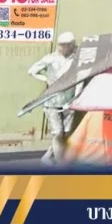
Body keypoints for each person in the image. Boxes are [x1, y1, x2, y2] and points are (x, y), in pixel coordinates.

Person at [28, 31, 78, 164]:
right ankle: (60, 164)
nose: (65, 47)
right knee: (58, 133)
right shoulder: (50, 58)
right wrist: (46, 78)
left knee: (66, 133)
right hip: (52, 101)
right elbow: (32, 71)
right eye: (63, 45)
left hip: (69, 100)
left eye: (68, 45)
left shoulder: (77, 59)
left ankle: (48, 155)